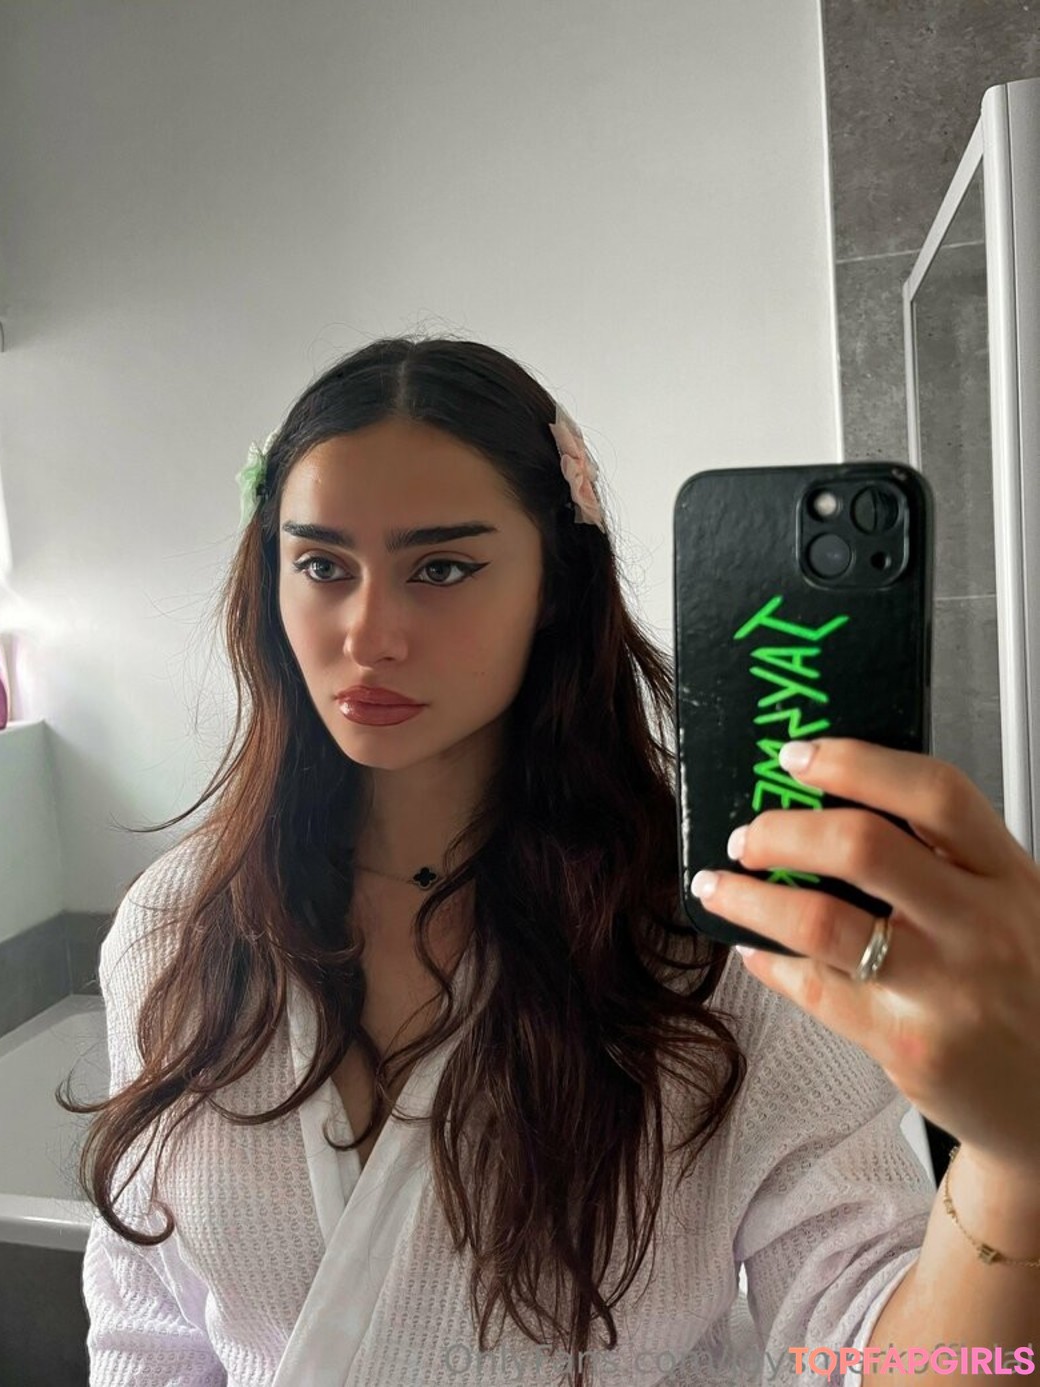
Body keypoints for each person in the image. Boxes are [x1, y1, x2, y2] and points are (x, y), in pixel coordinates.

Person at [62, 336, 1040, 1387]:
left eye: (442, 568)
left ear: (555, 586)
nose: (369, 633)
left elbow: (885, 1354)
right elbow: (146, 1337)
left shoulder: (716, 949)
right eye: (322, 565)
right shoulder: (176, 924)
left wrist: (1015, 1164)